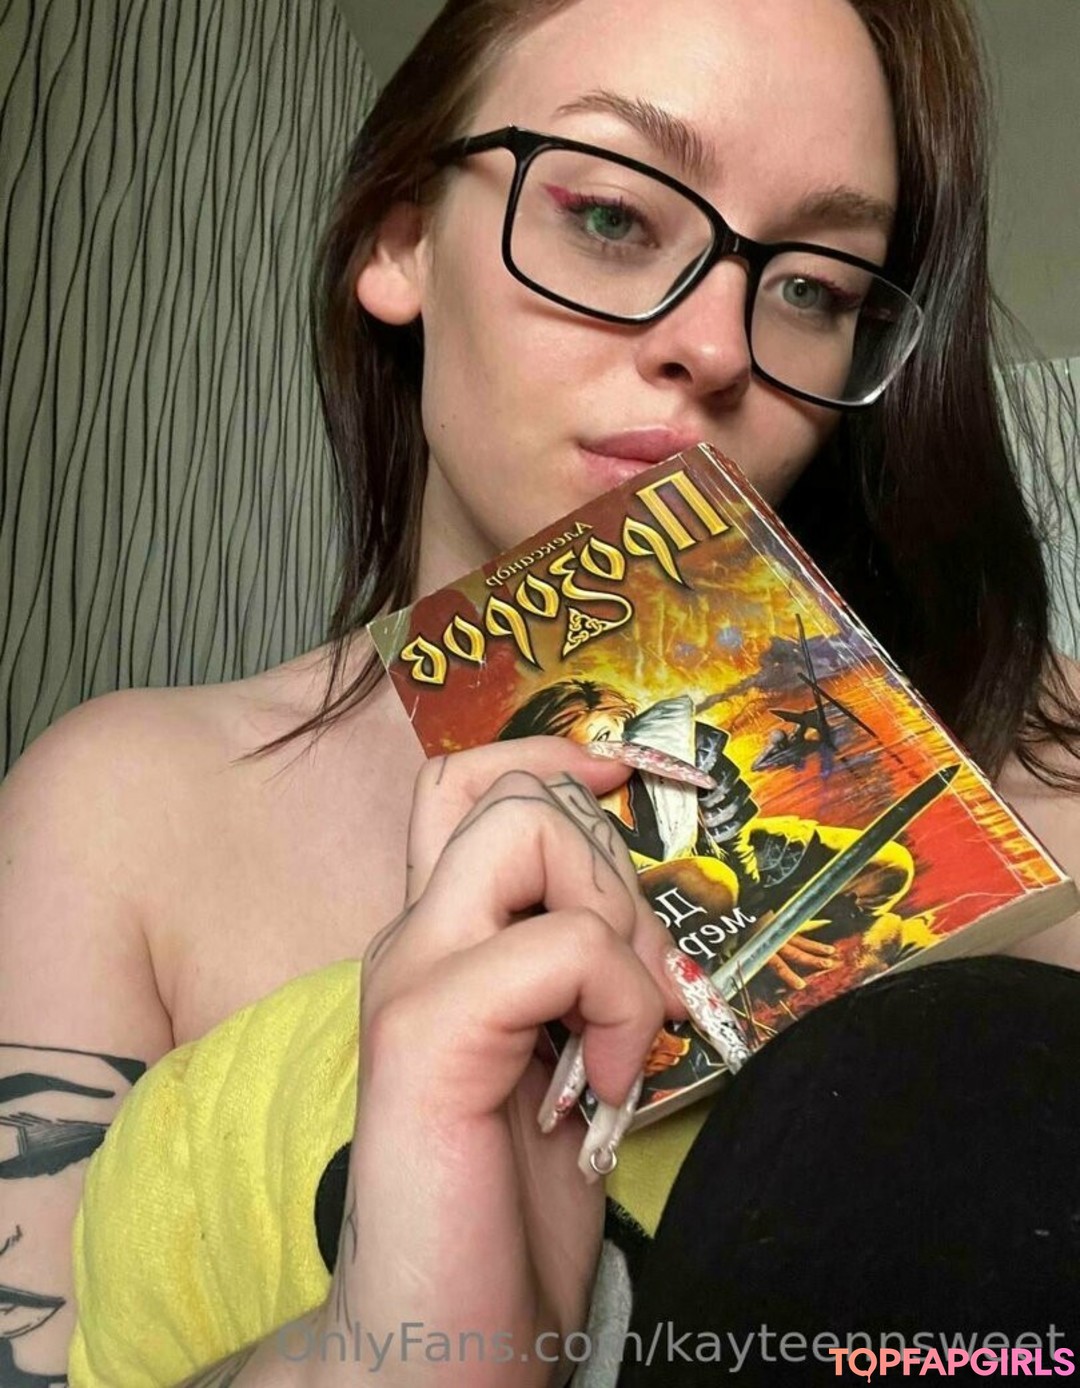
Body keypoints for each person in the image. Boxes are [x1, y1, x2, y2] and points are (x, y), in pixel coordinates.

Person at [1, 0, 1078, 1383]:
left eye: (814, 287)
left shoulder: (1036, 768)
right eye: (613, 217)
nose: (718, 343)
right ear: (402, 239)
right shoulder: (124, 812)